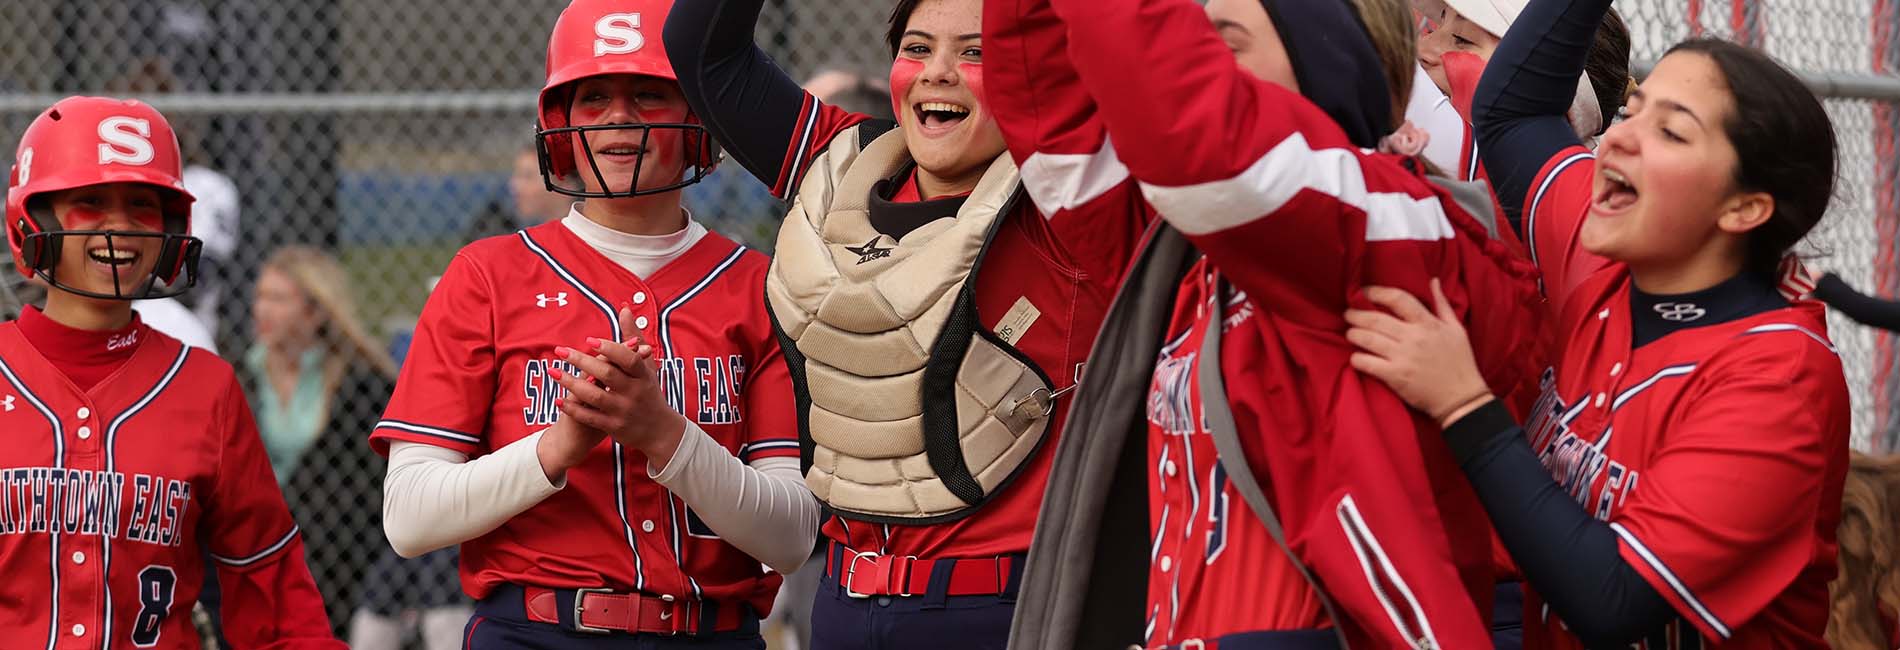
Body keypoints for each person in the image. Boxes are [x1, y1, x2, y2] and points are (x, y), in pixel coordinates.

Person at [987, 0, 1550, 647]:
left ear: (1328, 68)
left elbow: (1185, 128)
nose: (1192, 65)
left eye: (1217, 46)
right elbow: (1051, 108)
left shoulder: (1388, 216)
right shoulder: (1190, 245)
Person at [1343, 0, 1852, 643]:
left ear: (1746, 207)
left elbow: (1611, 598)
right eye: (1633, 112)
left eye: (1672, 132)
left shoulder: (1778, 378)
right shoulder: (1604, 262)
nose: (1618, 137)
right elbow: (1514, 112)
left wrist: (1464, 405)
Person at [665, 0, 1153, 646]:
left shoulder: (1073, 203)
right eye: (917, 48)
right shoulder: (838, 162)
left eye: (977, 53)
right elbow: (703, 49)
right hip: (843, 603)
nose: (938, 73)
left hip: (1009, 609)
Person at [371, 1, 811, 647]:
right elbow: (411, 517)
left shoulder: (759, 285)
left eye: (649, 94)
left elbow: (791, 537)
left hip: (711, 632)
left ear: (699, 114)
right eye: (594, 95)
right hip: (536, 631)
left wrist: (663, 435)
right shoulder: (488, 275)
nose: (619, 117)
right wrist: (559, 446)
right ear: (559, 121)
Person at [0, 95, 342, 648]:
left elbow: (275, 603)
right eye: (90, 202)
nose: (120, 226)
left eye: (142, 204)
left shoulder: (205, 387)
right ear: (32, 220)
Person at [236, 245, 397, 637]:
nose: (262, 310)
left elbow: (359, 487)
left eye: (278, 299)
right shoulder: (238, 374)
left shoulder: (359, 386)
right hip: (249, 541)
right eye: (260, 297)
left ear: (316, 311)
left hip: (331, 552)